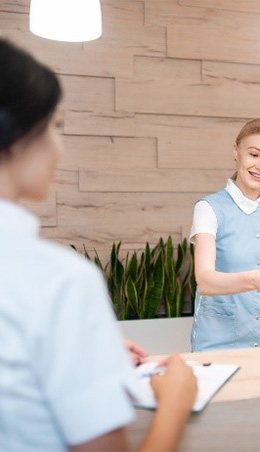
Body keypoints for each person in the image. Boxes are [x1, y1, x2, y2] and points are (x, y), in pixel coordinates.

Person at [0, 38, 197, 451]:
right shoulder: (60, 281)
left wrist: (85, 352)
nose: (60, 146)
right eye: (55, 126)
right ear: (18, 135)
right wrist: (176, 399)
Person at [190, 118, 260, 352]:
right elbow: (205, 280)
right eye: (254, 154)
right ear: (236, 151)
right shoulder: (209, 208)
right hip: (219, 345)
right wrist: (254, 280)